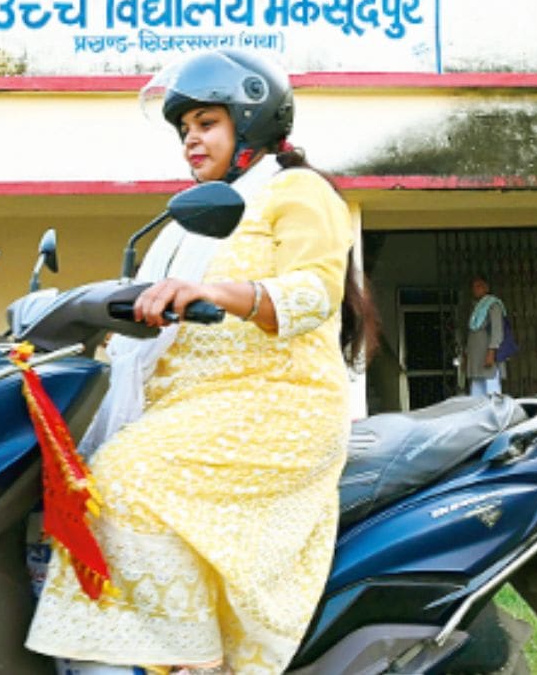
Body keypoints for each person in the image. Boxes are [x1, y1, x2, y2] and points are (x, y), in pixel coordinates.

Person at [26, 50, 375, 675]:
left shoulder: (296, 190)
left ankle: (195, 660)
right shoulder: (194, 213)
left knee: (125, 475)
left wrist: (216, 294)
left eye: (208, 123)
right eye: (185, 129)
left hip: (279, 404)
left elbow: (313, 293)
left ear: (252, 124)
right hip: (194, 407)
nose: (192, 138)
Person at [463, 275, 507, 397]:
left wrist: (491, 352)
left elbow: (497, 331)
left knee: (492, 394)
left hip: (488, 357)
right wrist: (466, 356)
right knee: (476, 397)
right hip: (476, 360)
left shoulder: (493, 305)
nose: (476, 289)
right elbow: (471, 334)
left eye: (479, 286)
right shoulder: (475, 308)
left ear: (486, 288)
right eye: (474, 287)